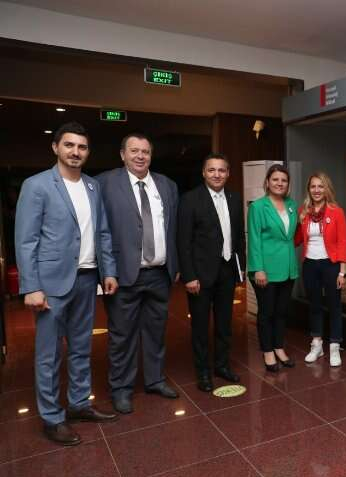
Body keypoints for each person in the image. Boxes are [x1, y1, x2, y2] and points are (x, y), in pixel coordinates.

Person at [15, 122, 119, 445]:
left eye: (82, 147)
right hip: (50, 284)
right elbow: (26, 240)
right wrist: (31, 287)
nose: (76, 152)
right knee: (49, 355)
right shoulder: (37, 185)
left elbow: (102, 232)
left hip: (87, 279)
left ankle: (78, 404)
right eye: (69, 145)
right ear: (55, 147)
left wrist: (109, 271)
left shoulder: (93, 186)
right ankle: (52, 417)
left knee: (81, 348)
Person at [97, 133, 180, 414]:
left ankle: (155, 380)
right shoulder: (105, 183)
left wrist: (175, 265)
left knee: (156, 332)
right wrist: (106, 271)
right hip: (123, 275)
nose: (140, 156)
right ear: (123, 154)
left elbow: (173, 229)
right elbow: (100, 231)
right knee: (122, 336)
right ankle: (121, 388)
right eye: (134, 151)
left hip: (159, 274)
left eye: (145, 151)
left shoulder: (167, 185)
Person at [178, 154, 246, 392]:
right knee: (200, 327)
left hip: (227, 271)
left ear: (228, 173)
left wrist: (240, 268)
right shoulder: (190, 199)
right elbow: (183, 241)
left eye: (221, 170)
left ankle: (222, 366)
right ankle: (203, 373)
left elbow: (238, 237)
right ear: (203, 173)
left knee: (225, 325)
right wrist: (189, 276)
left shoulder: (235, 198)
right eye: (212, 170)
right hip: (200, 274)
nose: (217, 174)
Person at [294, 173, 346, 367]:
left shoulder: (336, 212)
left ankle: (334, 346)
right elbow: (296, 239)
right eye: (313, 187)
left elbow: (342, 242)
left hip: (330, 265)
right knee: (314, 305)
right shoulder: (303, 211)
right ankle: (316, 345)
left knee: (334, 305)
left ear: (327, 189)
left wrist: (342, 272)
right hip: (310, 264)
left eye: (320, 186)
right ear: (309, 189)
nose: (316, 190)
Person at [247, 164, 298, 371]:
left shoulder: (292, 205)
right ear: (267, 182)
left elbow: (292, 236)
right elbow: (254, 239)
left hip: (288, 267)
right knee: (266, 312)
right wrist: (258, 268)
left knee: (281, 312)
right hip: (265, 270)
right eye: (275, 179)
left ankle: (279, 347)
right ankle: (267, 351)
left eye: (284, 180)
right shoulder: (258, 207)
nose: (280, 183)